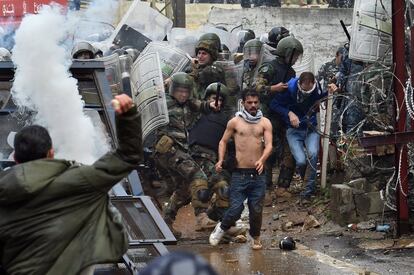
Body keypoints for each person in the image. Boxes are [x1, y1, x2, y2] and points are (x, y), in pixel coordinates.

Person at [0, 94, 142, 275]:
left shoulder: (4, 191)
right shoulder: (81, 180)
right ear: (51, 153)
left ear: (16, 159)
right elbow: (127, 156)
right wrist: (128, 116)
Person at [155, 72, 219, 236]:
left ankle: (165, 225)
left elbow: (197, 104)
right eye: (179, 91)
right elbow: (152, 95)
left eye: (185, 91)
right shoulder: (163, 102)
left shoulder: (187, 103)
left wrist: (209, 105)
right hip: (169, 149)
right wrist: (163, 84)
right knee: (198, 176)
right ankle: (201, 217)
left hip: (181, 150)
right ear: (172, 90)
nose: (183, 94)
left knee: (184, 189)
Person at [209, 89, 272, 250]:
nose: (252, 105)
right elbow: (223, 141)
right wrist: (221, 160)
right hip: (239, 173)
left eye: (255, 102)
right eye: (249, 102)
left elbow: (270, 145)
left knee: (256, 209)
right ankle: (222, 227)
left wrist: (262, 159)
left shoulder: (265, 122)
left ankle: (255, 237)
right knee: (236, 208)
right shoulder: (235, 122)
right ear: (243, 103)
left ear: (259, 103)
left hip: (258, 174)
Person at [270, 72, 337, 204]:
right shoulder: (289, 88)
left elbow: (321, 97)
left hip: (311, 128)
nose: (306, 93)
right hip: (293, 130)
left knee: (313, 154)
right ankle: (304, 178)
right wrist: (289, 113)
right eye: (304, 90)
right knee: (301, 161)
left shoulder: (317, 87)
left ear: (313, 84)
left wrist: (331, 90)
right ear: (299, 84)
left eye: (309, 90)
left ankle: (308, 191)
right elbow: (274, 104)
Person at [255, 36, 303, 202]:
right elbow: (256, 88)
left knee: (291, 149)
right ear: (287, 53)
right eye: (295, 55)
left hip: (283, 114)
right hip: (268, 115)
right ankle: (265, 189)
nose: (296, 59)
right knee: (269, 152)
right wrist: (272, 88)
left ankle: (282, 187)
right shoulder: (269, 68)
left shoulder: (291, 72)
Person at [189, 83, 232, 222]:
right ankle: (168, 219)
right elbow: (188, 100)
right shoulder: (197, 112)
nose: (216, 102)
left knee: (223, 188)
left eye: (220, 100)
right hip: (193, 155)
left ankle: (220, 219)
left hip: (213, 159)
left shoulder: (227, 120)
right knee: (198, 190)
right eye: (213, 98)